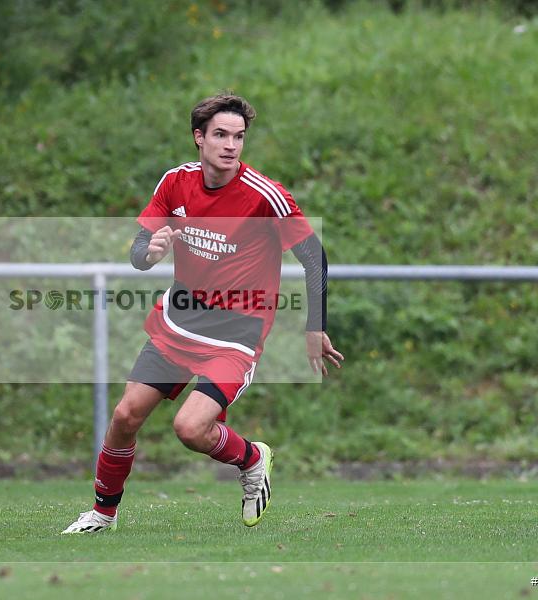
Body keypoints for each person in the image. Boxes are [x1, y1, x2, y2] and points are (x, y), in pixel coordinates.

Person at [62, 94, 344, 534]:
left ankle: (252, 459)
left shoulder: (263, 196)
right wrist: (148, 253)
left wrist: (314, 328)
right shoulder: (176, 183)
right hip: (179, 322)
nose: (231, 145)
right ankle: (102, 515)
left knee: (191, 428)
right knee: (124, 417)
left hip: (236, 334)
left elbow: (315, 258)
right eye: (220, 135)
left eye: (238, 137)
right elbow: (140, 250)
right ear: (199, 138)